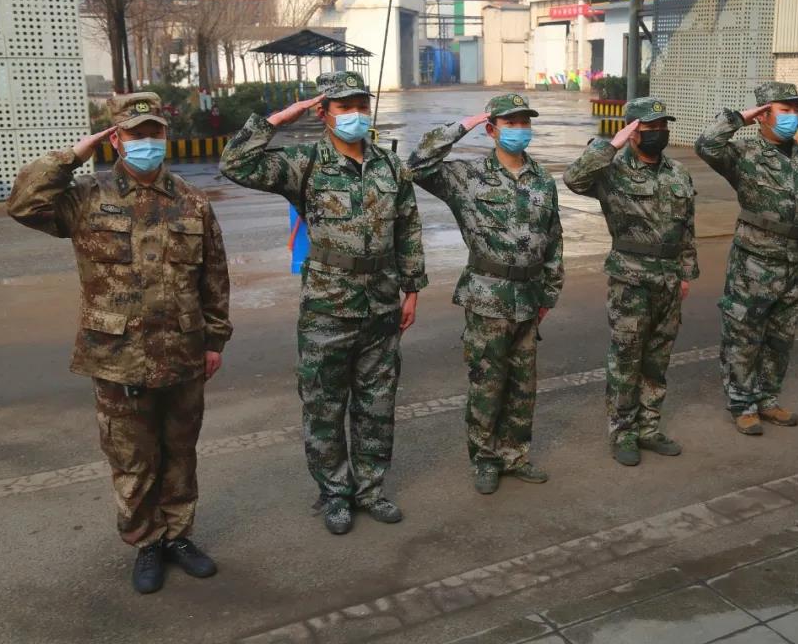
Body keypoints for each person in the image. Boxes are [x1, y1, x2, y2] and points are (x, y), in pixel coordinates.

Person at [7, 92, 232, 594]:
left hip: (182, 352)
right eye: (136, 133)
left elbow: (214, 278)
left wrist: (215, 339)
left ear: (165, 136)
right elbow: (22, 204)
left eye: (155, 132)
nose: (147, 141)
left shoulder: (193, 202)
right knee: (131, 458)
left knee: (180, 451)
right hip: (116, 357)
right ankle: (146, 541)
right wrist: (73, 155)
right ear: (116, 139)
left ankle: (178, 536)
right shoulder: (86, 197)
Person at [220, 71, 426, 534]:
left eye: (360, 105)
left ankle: (370, 489)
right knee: (324, 405)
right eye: (343, 107)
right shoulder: (306, 162)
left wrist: (412, 289)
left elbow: (408, 228)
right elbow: (234, 164)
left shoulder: (390, 166)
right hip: (327, 307)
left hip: (381, 304)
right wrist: (280, 118)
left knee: (377, 404)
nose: (355, 114)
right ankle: (334, 493)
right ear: (324, 113)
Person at [407, 93, 564, 494]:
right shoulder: (467, 176)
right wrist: (465, 123)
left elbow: (553, 240)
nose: (520, 129)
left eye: (524, 122)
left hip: (529, 296)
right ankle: (485, 459)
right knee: (487, 383)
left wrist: (549, 293)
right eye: (510, 123)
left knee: (523, 385)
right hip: (487, 296)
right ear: (493, 129)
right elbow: (418, 165)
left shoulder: (543, 180)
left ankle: (515, 455)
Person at [564, 97, 697, 466]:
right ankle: (623, 432)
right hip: (630, 280)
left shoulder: (678, 173)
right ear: (634, 130)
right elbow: (574, 178)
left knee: (657, 359)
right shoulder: (611, 170)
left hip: (668, 280)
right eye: (651, 127)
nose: (659, 132)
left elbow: (687, 229)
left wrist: (686, 273)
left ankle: (648, 428)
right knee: (626, 359)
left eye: (663, 126)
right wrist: (611, 144)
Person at [694, 82, 798, 435]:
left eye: (796, 111)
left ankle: (768, 398)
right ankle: (742, 403)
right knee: (744, 334)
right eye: (785, 110)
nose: (793, 117)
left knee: (781, 336)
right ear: (764, 115)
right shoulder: (744, 153)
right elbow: (706, 144)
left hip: (794, 259)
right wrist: (741, 118)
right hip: (755, 261)